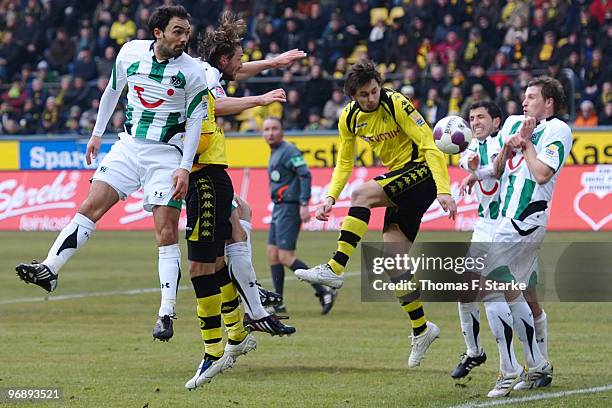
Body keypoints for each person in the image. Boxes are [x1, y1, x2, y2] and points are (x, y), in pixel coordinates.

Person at [15, 5, 208, 342]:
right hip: (129, 145)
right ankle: (50, 269)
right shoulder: (130, 53)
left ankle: (166, 311)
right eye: (178, 31)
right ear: (158, 32)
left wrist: (184, 167)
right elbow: (112, 92)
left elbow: (194, 122)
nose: (184, 38)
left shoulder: (192, 72)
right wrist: (96, 133)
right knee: (90, 206)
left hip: (167, 155)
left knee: (165, 233)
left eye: (187, 32)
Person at [295, 60, 457, 368]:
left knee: (362, 194)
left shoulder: (397, 103)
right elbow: (344, 163)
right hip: (400, 179)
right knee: (393, 262)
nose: (371, 98)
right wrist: (329, 196)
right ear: (352, 95)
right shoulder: (349, 118)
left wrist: (444, 189)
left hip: (420, 172)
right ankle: (422, 329)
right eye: (364, 94)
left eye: (374, 91)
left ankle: (334, 268)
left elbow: (430, 146)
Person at [184, 11, 303, 389]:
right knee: (206, 261)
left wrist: (274, 62)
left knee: (238, 224)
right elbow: (217, 106)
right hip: (194, 168)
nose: (241, 61)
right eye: (238, 56)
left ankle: (247, 318)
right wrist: (261, 99)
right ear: (223, 59)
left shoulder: (210, 71)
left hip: (206, 167)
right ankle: (245, 317)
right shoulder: (206, 77)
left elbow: (238, 72)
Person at [481, 76, 571, 397]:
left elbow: (543, 173)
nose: (524, 101)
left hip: (527, 217)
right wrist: (508, 145)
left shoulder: (558, 129)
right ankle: (538, 364)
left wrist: (529, 142)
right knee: (513, 291)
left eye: (532, 97)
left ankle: (508, 370)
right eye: (524, 96)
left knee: (488, 285)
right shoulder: (511, 123)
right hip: (507, 217)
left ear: (548, 103)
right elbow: (497, 170)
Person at [262, 116, 336, 315]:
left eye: (274, 128)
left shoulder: (289, 150)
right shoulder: (275, 151)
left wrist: (304, 203)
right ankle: (278, 302)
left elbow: (305, 174)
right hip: (278, 208)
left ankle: (324, 291)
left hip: (290, 207)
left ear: (282, 131)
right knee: (272, 255)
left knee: (286, 257)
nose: (270, 133)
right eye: (266, 129)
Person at [452, 101, 503, 379]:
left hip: (510, 225)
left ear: (496, 121)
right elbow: (467, 159)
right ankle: (474, 352)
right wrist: (471, 166)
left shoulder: (505, 142)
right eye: (471, 118)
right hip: (484, 227)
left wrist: (475, 172)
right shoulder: (473, 146)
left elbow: (497, 169)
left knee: (518, 298)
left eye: (481, 117)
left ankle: (533, 363)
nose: (475, 122)